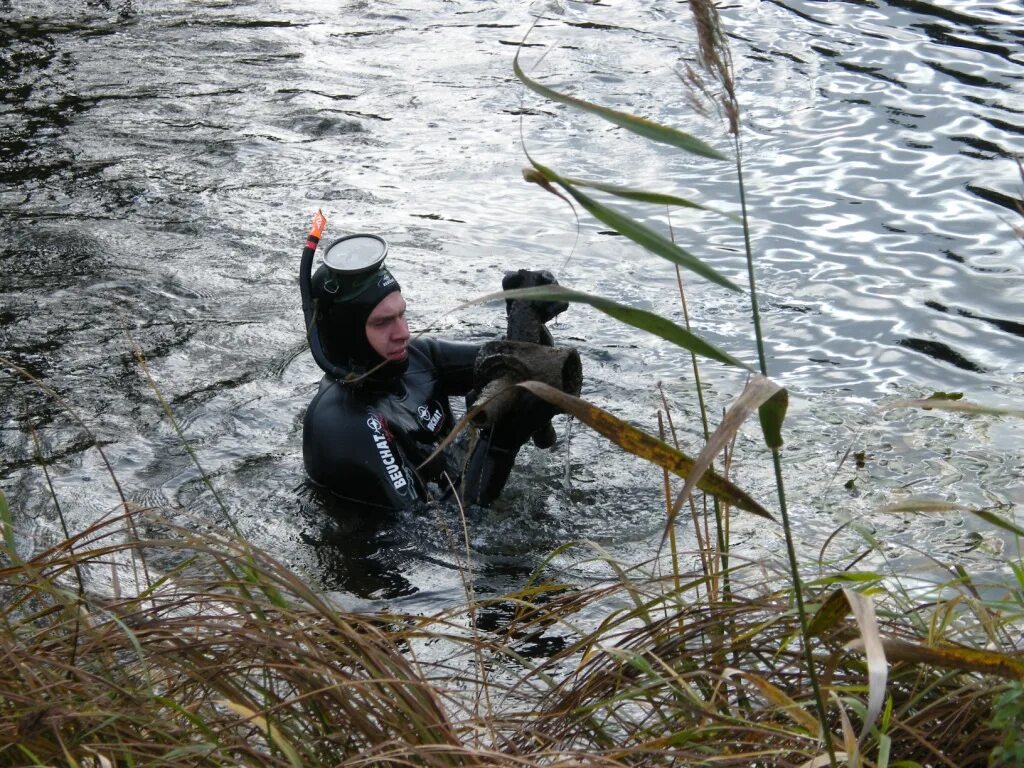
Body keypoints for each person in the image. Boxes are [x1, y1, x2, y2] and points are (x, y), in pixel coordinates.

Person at [299, 219, 578, 513]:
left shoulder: (418, 358)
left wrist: (525, 314)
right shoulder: (344, 427)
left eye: (401, 315)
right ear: (349, 337)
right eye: (382, 323)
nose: (403, 333)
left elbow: (507, 368)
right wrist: (502, 444)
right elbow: (443, 537)